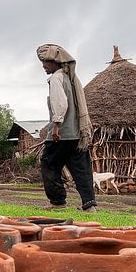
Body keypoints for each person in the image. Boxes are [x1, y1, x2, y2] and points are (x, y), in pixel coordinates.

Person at [36, 44, 97, 212]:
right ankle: (89, 204)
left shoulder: (57, 78)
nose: (43, 66)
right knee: (81, 169)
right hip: (77, 133)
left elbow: (60, 104)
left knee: (49, 164)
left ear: (55, 62)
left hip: (61, 133)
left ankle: (57, 202)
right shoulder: (72, 79)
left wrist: (55, 127)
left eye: (46, 62)